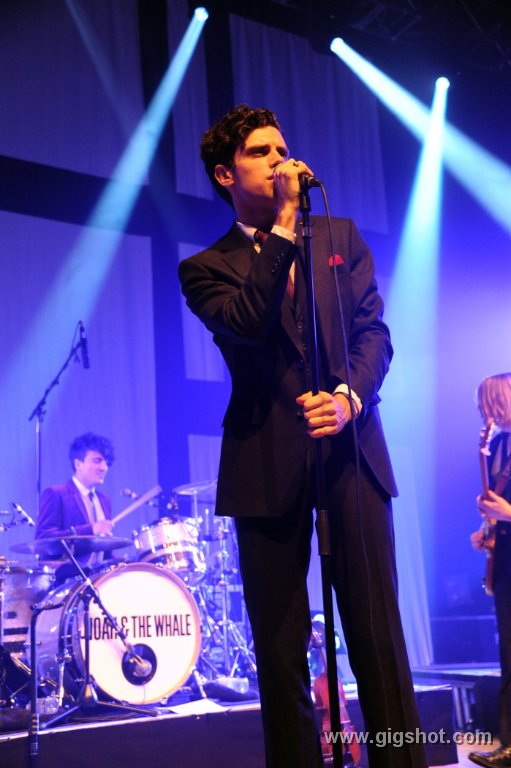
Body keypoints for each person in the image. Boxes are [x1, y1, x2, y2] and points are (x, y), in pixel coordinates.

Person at [178, 104, 427, 768]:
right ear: (225, 174)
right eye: (261, 152)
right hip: (264, 460)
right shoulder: (206, 267)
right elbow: (249, 322)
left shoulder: (340, 234)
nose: (280, 159)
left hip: (351, 452)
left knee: (377, 636)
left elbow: (374, 333)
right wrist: (284, 225)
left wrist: (348, 398)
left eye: (282, 147)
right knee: (281, 649)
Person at [469, 374, 511, 768]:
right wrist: (487, 531)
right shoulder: (497, 446)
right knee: (509, 656)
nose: (483, 410)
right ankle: (508, 744)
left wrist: (507, 512)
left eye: (487, 402)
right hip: (505, 565)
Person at [35, 432, 115, 579]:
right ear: (78, 464)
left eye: (106, 462)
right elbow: (43, 538)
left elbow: (102, 550)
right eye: (97, 461)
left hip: (98, 579)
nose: (104, 467)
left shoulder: (104, 500)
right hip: (66, 581)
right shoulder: (56, 493)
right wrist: (91, 529)